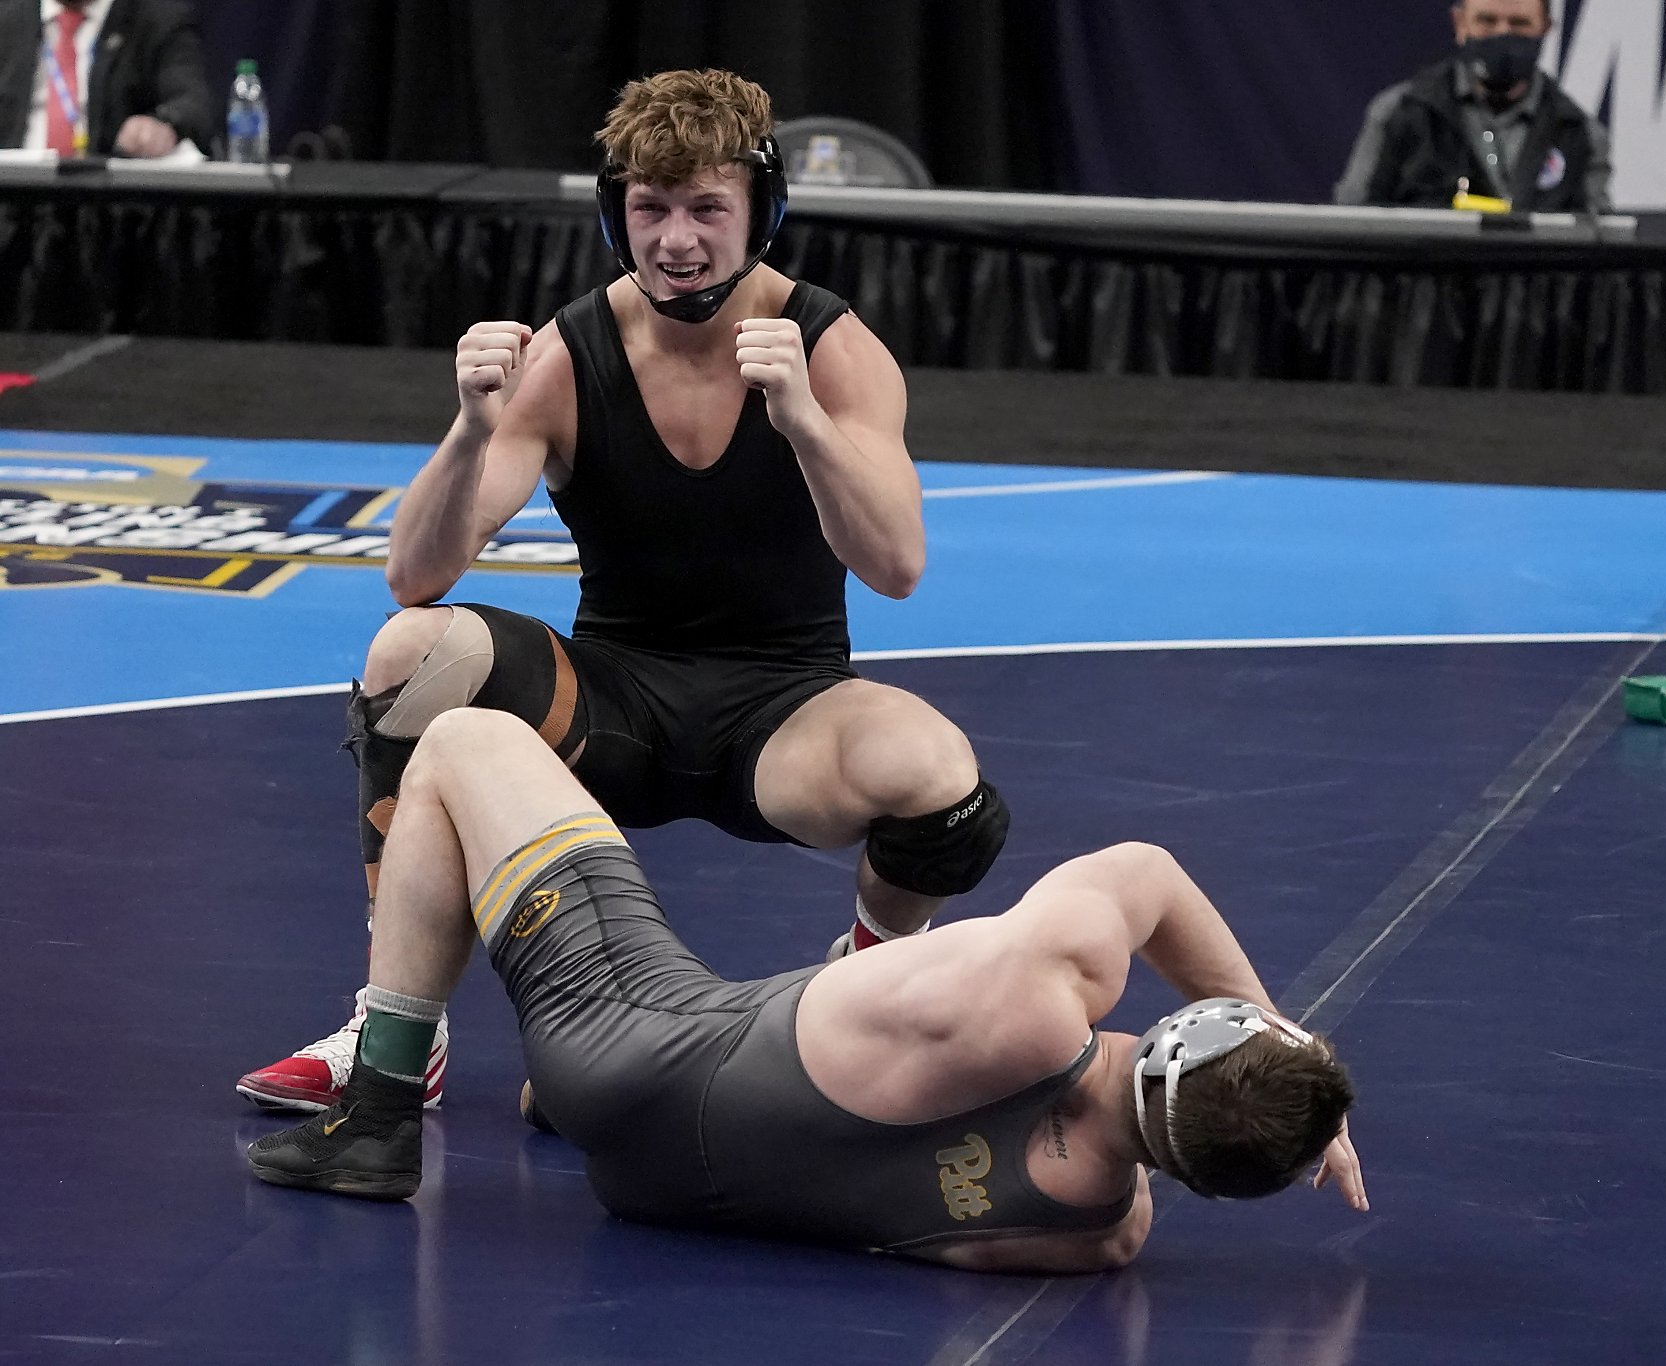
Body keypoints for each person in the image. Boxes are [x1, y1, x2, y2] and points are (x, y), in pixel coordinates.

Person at [235, 68, 1009, 1114]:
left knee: (941, 783)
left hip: (782, 709)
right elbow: (414, 576)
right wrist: (469, 425)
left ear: (760, 215)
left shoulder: (833, 351)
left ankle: (866, 983)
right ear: (617, 213)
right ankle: (395, 1026)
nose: (675, 241)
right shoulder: (564, 355)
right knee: (407, 654)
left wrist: (806, 424)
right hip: (606, 705)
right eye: (650, 209)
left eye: (705, 209)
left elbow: (897, 568)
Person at [246, 708, 1367, 1273]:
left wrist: (1283, 1027)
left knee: (457, 738)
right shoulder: (1097, 1232)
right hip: (651, 1187)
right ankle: (556, 1089)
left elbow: (1153, 877)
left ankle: (380, 1113)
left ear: (1202, 1024)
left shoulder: (1043, 980)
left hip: (632, 1042)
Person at [1332, 0, 1611, 214]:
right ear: (1460, 23)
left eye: (1519, 24)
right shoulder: (1402, 113)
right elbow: (1352, 225)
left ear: (1545, 29)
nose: (1502, 34)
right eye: (1487, 21)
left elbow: (1599, 248)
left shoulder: (1578, 133)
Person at [0, 0, 216, 159]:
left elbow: (192, 102)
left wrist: (162, 124)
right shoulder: (8, 18)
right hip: (14, 195)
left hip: (113, 203)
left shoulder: (157, 17)